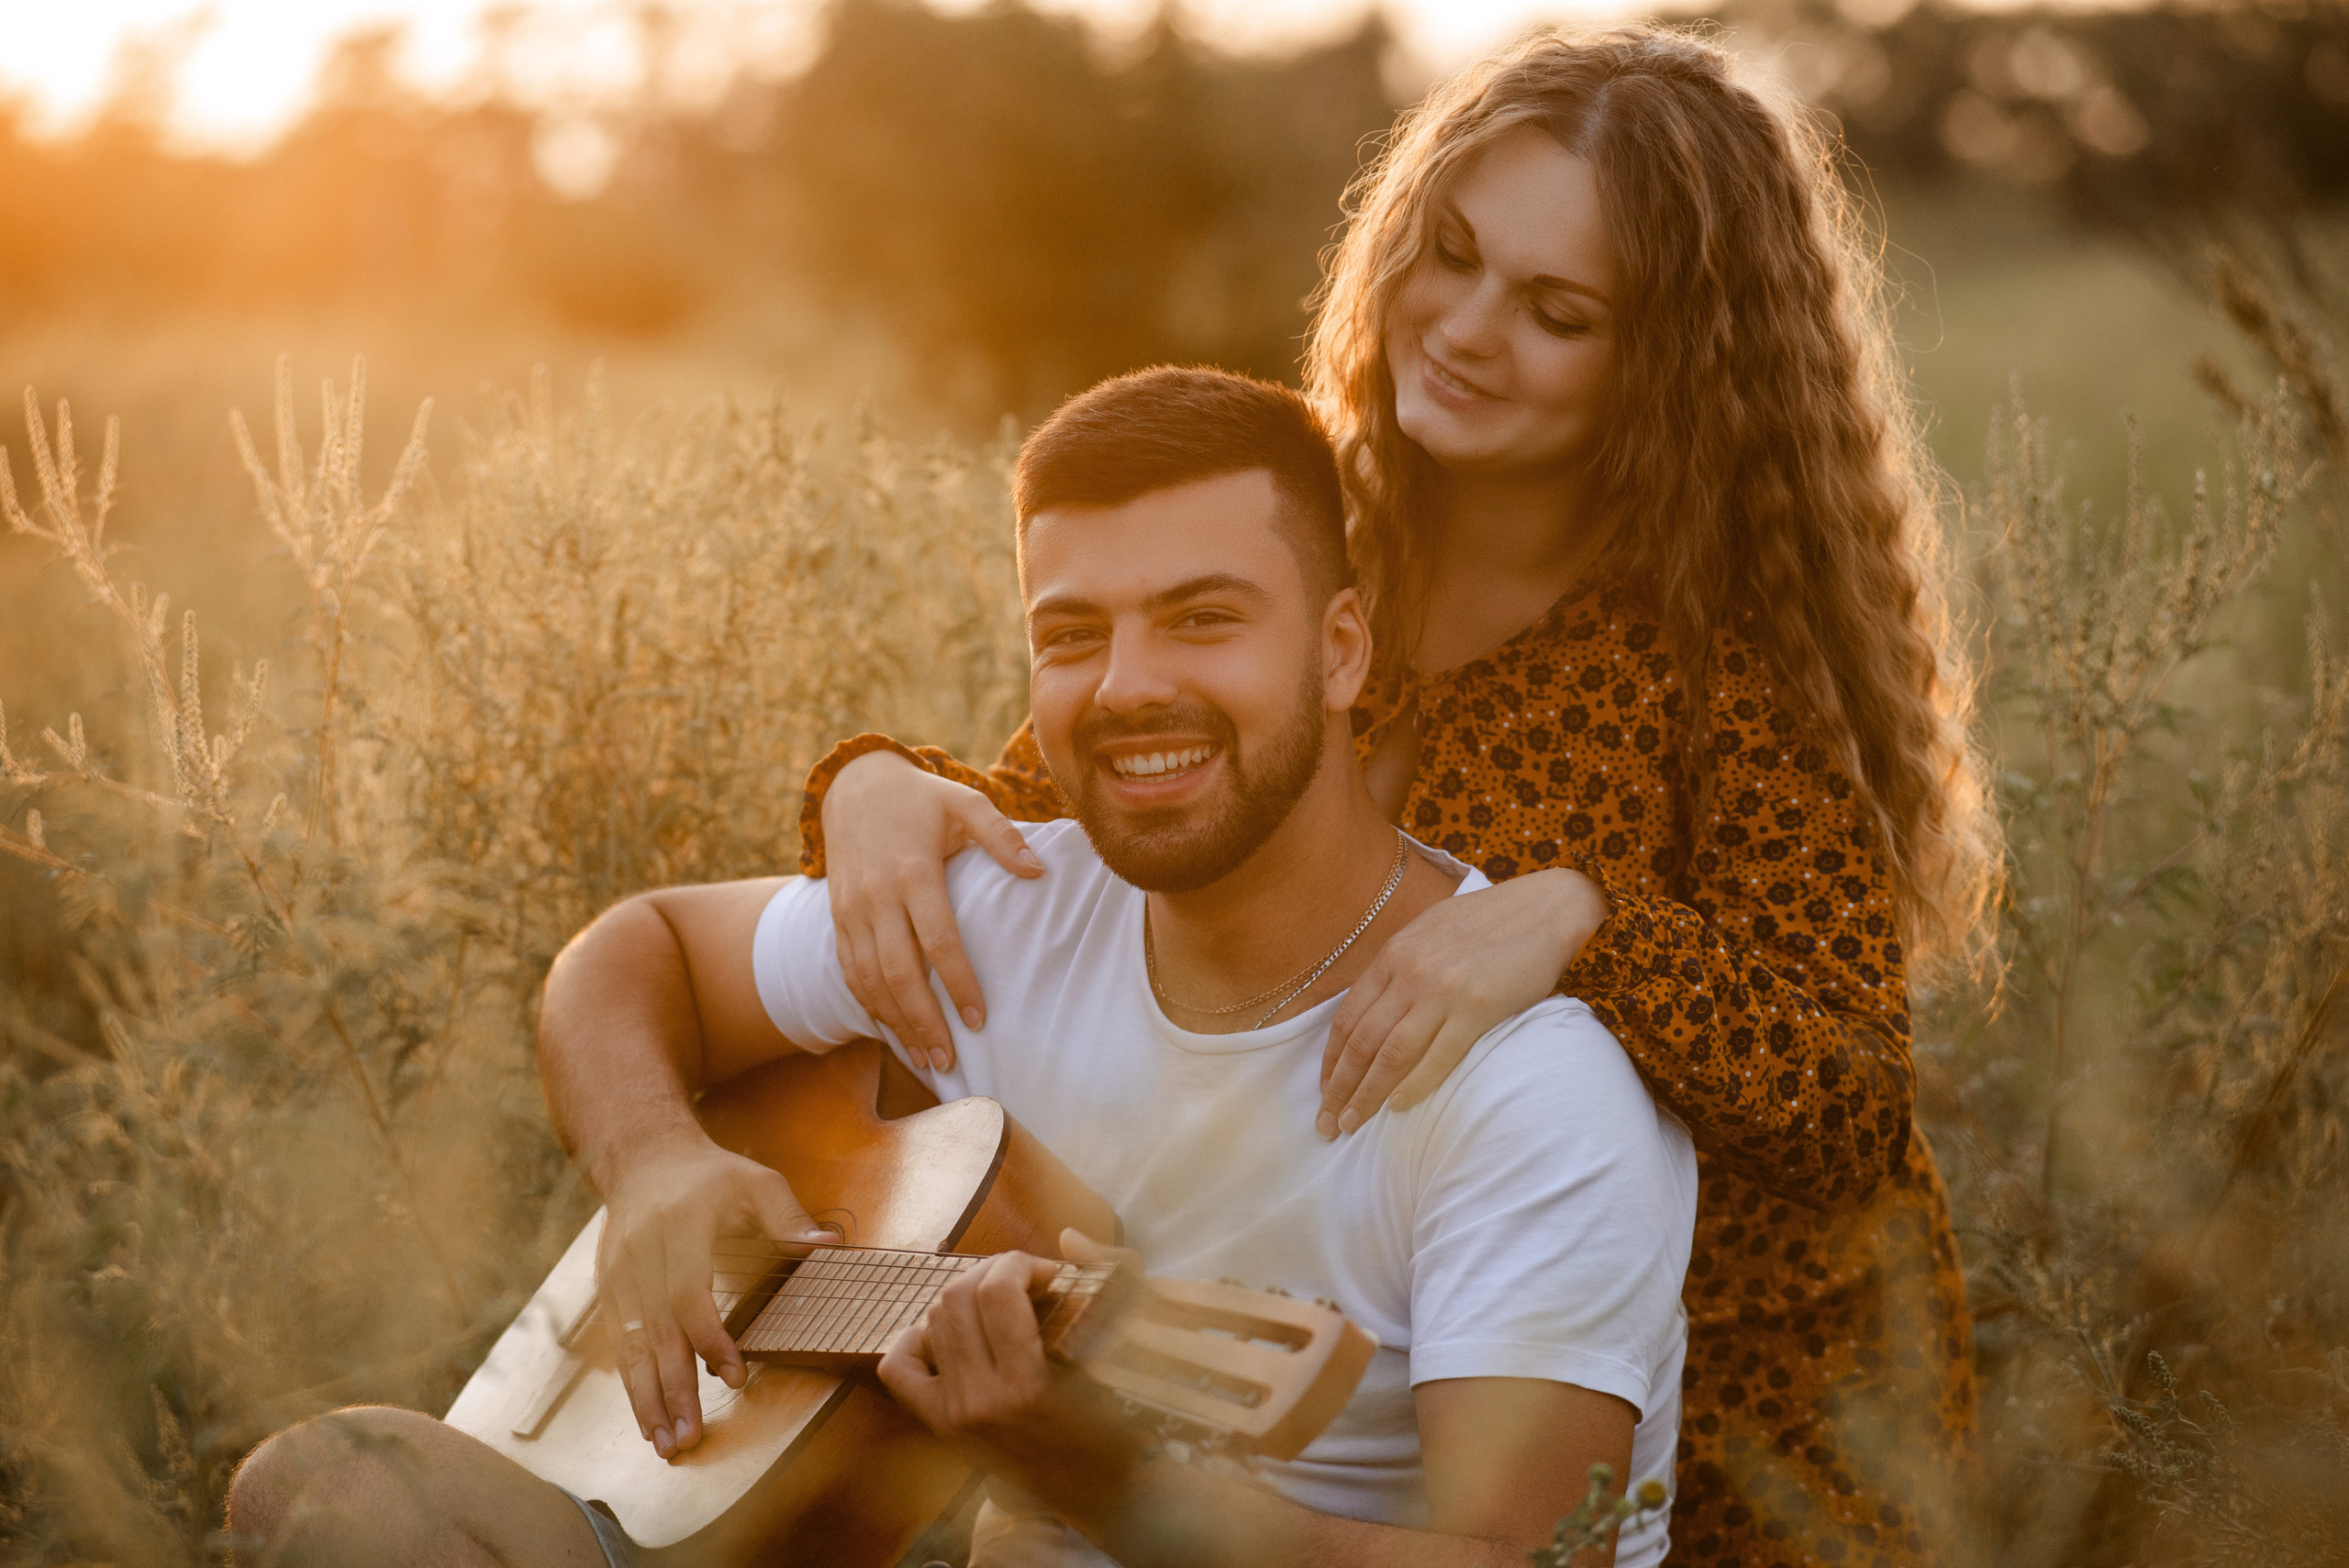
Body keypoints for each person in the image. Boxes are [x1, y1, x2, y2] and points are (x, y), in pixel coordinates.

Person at [797, 25, 1998, 1568]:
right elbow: (1092, 804)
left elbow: (1843, 1102)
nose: (1466, 327)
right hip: (1377, 1414)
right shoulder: (1313, 534)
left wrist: (1578, 919)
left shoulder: (1735, 658)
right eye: (1449, 254)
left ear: (1678, 361)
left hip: (1751, 1443)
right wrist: (879, 787)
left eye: (1558, 311)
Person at [225, 367, 1698, 1568]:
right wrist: (658, 1164)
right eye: (1074, 634)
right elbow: (640, 951)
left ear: (1343, 649)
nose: (1129, 687)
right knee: (326, 1491)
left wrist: (1097, 1469)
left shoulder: (1525, 1084)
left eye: (1202, 616)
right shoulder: (1000, 911)